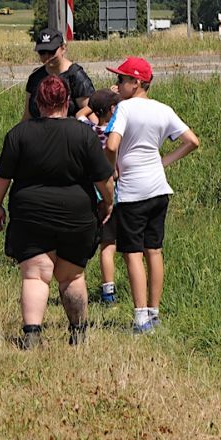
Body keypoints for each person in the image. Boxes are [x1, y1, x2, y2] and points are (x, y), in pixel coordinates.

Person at [0, 75, 115, 349]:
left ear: (37, 102)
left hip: (30, 213)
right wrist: (108, 202)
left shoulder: (19, 134)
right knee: (72, 276)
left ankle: (32, 335)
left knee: (35, 275)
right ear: (67, 101)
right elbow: (104, 179)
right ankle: (78, 333)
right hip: (76, 214)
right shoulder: (84, 134)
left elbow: (2, 177)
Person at [104, 57, 201, 335]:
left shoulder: (124, 108)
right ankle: (154, 312)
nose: (118, 84)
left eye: (122, 79)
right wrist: (163, 161)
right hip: (159, 189)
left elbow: (111, 144)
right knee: (154, 250)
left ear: (136, 83)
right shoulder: (163, 109)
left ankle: (140, 317)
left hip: (132, 191)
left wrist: (112, 169)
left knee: (133, 253)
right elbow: (192, 141)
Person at [86, 88, 123, 306]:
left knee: (101, 242)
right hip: (112, 190)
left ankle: (106, 290)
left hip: (93, 190)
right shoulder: (114, 133)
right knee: (109, 244)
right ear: (112, 109)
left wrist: (95, 103)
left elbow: (81, 114)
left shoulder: (89, 129)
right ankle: (108, 292)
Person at [25, 31, 95, 121]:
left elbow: (91, 115)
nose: (47, 56)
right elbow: (27, 116)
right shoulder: (35, 77)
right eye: (42, 52)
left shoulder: (76, 76)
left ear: (63, 48)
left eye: (52, 51)